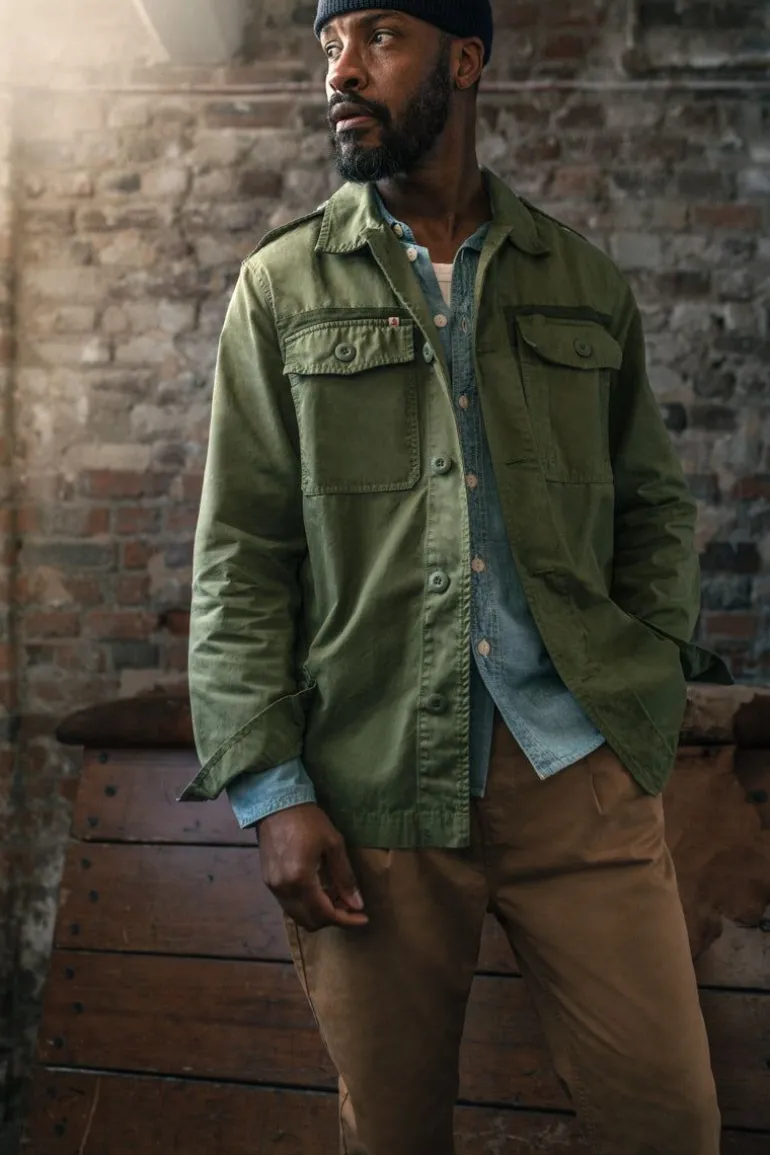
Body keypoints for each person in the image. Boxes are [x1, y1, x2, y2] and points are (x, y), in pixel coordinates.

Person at [183, 2, 732, 1151]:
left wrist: (639, 693)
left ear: (464, 59)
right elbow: (240, 557)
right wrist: (272, 791)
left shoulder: (578, 279)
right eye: (329, 46)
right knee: (391, 1134)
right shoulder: (281, 286)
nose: (343, 70)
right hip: (372, 791)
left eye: (378, 37)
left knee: (668, 1124)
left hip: (576, 775)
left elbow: (651, 508)